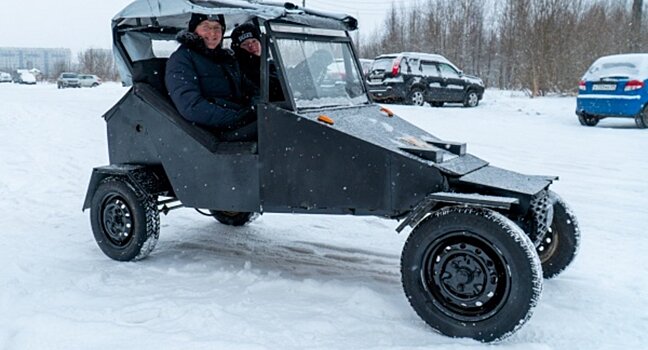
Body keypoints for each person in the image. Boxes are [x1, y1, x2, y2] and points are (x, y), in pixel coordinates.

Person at [165, 13, 258, 141]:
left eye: (217, 28)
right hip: (210, 134)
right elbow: (192, 107)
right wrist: (237, 118)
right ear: (194, 30)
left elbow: (250, 89)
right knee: (274, 129)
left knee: (279, 121)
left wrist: (257, 107)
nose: (212, 33)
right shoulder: (181, 60)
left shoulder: (226, 59)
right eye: (206, 27)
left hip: (237, 121)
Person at [230, 22, 284, 101]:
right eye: (245, 44)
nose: (251, 46)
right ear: (239, 49)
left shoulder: (272, 65)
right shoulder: (239, 71)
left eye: (254, 41)